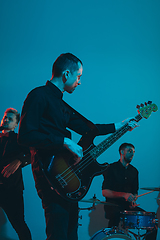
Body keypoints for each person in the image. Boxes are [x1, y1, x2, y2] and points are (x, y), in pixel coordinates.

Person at [18, 53, 137, 240]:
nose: (79, 82)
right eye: (78, 76)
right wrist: (64, 141)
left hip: (70, 176)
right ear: (66, 74)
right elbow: (25, 136)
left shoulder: (60, 103)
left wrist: (120, 125)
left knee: (71, 234)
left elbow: (88, 128)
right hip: (50, 176)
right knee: (58, 233)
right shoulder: (38, 95)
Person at [102, 142, 157, 240]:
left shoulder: (134, 171)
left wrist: (133, 199)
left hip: (128, 207)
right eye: (130, 151)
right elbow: (105, 192)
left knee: (152, 224)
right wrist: (124, 195)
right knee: (115, 219)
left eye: (134, 152)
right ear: (122, 152)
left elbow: (135, 192)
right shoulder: (111, 168)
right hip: (113, 206)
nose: (132, 154)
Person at [0, 108, 32, 240]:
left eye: (10, 119)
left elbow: (33, 154)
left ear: (16, 124)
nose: (6, 120)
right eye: (5, 117)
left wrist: (19, 160)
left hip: (11, 189)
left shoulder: (20, 139)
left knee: (19, 224)